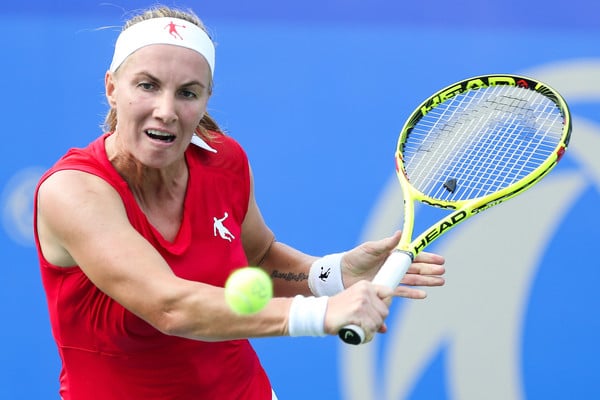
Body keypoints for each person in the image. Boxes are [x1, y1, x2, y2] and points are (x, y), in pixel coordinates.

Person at [33, 5, 446, 400]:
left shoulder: (223, 162)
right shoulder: (73, 192)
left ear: (206, 99)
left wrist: (332, 275)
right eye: (147, 85)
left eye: (187, 93)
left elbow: (258, 255)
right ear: (111, 88)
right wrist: (318, 315)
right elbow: (168, 306)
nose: (167, 110)